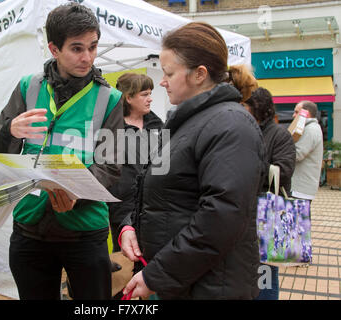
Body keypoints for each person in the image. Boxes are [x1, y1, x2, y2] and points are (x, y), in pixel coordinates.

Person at [119, 22, 265, 300]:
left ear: (199, 74)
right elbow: (162, 196)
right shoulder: (188, 123)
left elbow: (220, 218)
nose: (162, 82)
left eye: (169, 73)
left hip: (209, 288)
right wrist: (130, 225)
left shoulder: (231, 125)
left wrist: (156, 275)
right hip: (180, 282)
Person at [0, 2, 124, 300]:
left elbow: (111, 165)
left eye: (93, 47)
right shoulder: (28, 87)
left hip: (84, 231)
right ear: (54, 48)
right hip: (30, 227)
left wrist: (75, 195)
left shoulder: (110, 98)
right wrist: (9, 131)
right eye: (77, 48)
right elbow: (2, 152)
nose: (87, 57)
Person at [244, 87, 296, 300]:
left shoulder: (279, 134)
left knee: (265, 271)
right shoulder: (244, 129)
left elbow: (284, 171)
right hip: (247, 210)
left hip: (269, 211)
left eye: (245, 105)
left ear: (257, 108)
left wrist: (247, 165)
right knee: (248, 268)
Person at [108, 73, 163, 254]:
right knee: (128, 259)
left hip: (155, 209)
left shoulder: (158, 125)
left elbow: (166, 165)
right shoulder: (112, 129)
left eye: (150, 93)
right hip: (123, 210)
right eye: (144, 94)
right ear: (129, 98)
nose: (150, 99)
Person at [290, 100, 323, 203]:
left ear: (306, 113)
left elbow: (298, 154)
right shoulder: (308, 128)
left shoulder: (310, 130)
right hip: (301, 187)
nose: (293, 115)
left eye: (296, 112)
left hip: (301, 188)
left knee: (298, 218)